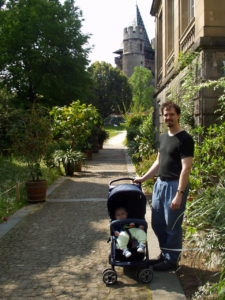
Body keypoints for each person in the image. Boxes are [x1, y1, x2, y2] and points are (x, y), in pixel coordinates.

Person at [134, 101, 194, 271]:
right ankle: (165, 254)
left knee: (172, 226)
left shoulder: (185, 139)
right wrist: (143, 178)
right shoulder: (163, 136)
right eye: (166, 115)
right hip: (160, 185)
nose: (168, 117)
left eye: (172, 114)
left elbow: (186, 168)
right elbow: (158, 162)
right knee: (157, 223)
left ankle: (172, 261)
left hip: (175, 186)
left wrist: (180, 193)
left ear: (178, 115)